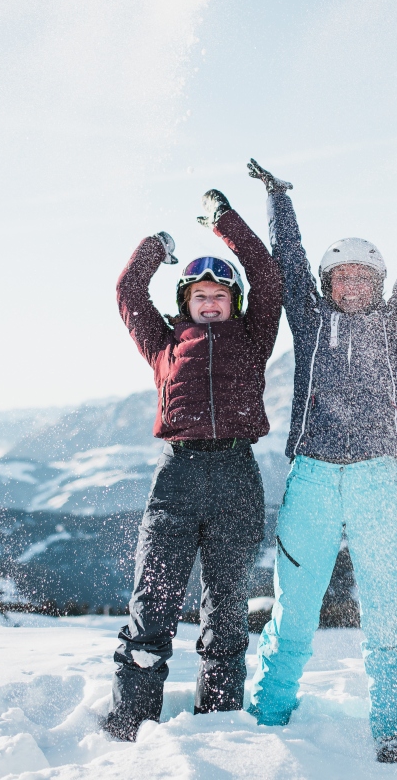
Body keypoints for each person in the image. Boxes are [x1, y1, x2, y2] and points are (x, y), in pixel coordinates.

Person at [242, 157, 397, 763]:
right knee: (295, 611)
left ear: (377, 286)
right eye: (342, 278)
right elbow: (289, 262)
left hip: (379, 481)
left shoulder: (395, 325)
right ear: (328, 286)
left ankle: (391, 728)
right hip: (312, 479)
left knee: (385, 614)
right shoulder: (309, 322)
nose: (352, 286)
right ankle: (268, 718)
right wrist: (279, 199)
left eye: (363, 278)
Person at [104, 187, 284, 742]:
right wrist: (157, 247)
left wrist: (224, 221)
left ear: (234, 303)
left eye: (220, 296)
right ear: (185, 301)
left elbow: (269, 277)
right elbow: (128, 291)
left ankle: (220, 727)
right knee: (153, 599)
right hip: (177, 476)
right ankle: (131, 725)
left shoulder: (254, 339)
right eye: (200, 295)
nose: (210, 303)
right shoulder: (163, 345)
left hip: (235, 474)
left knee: (227, 607)